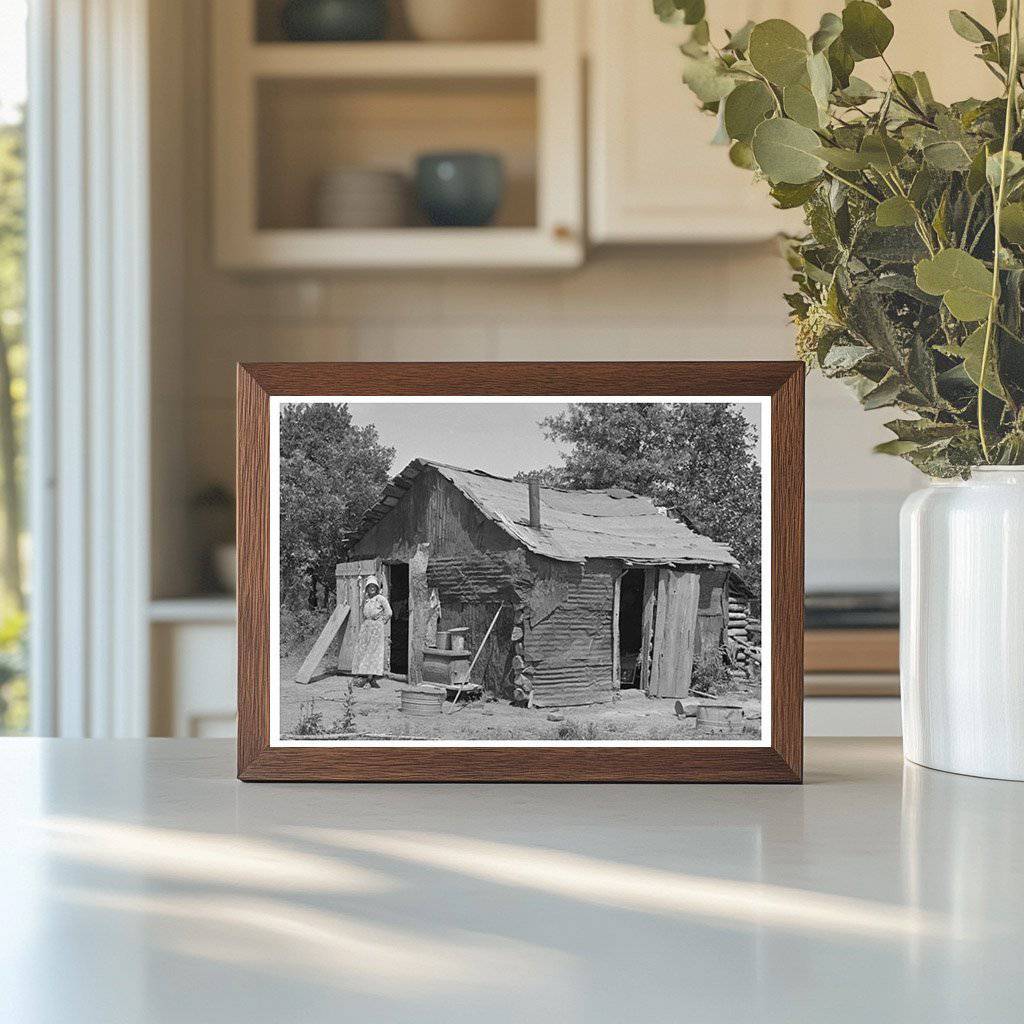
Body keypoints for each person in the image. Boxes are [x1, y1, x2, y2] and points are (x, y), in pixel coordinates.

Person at [352, 576, 392, 687]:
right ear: (367, 588)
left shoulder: (381, 599)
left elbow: (389, 612)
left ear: (377, 588)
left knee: (373, 651)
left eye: (374, 586)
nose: (372, 588)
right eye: (370, 586)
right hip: (366, 627)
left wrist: (380, 622)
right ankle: (365, 676)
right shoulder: (366, 600)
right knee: (364, 650)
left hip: (376, 628)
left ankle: (370, 677)